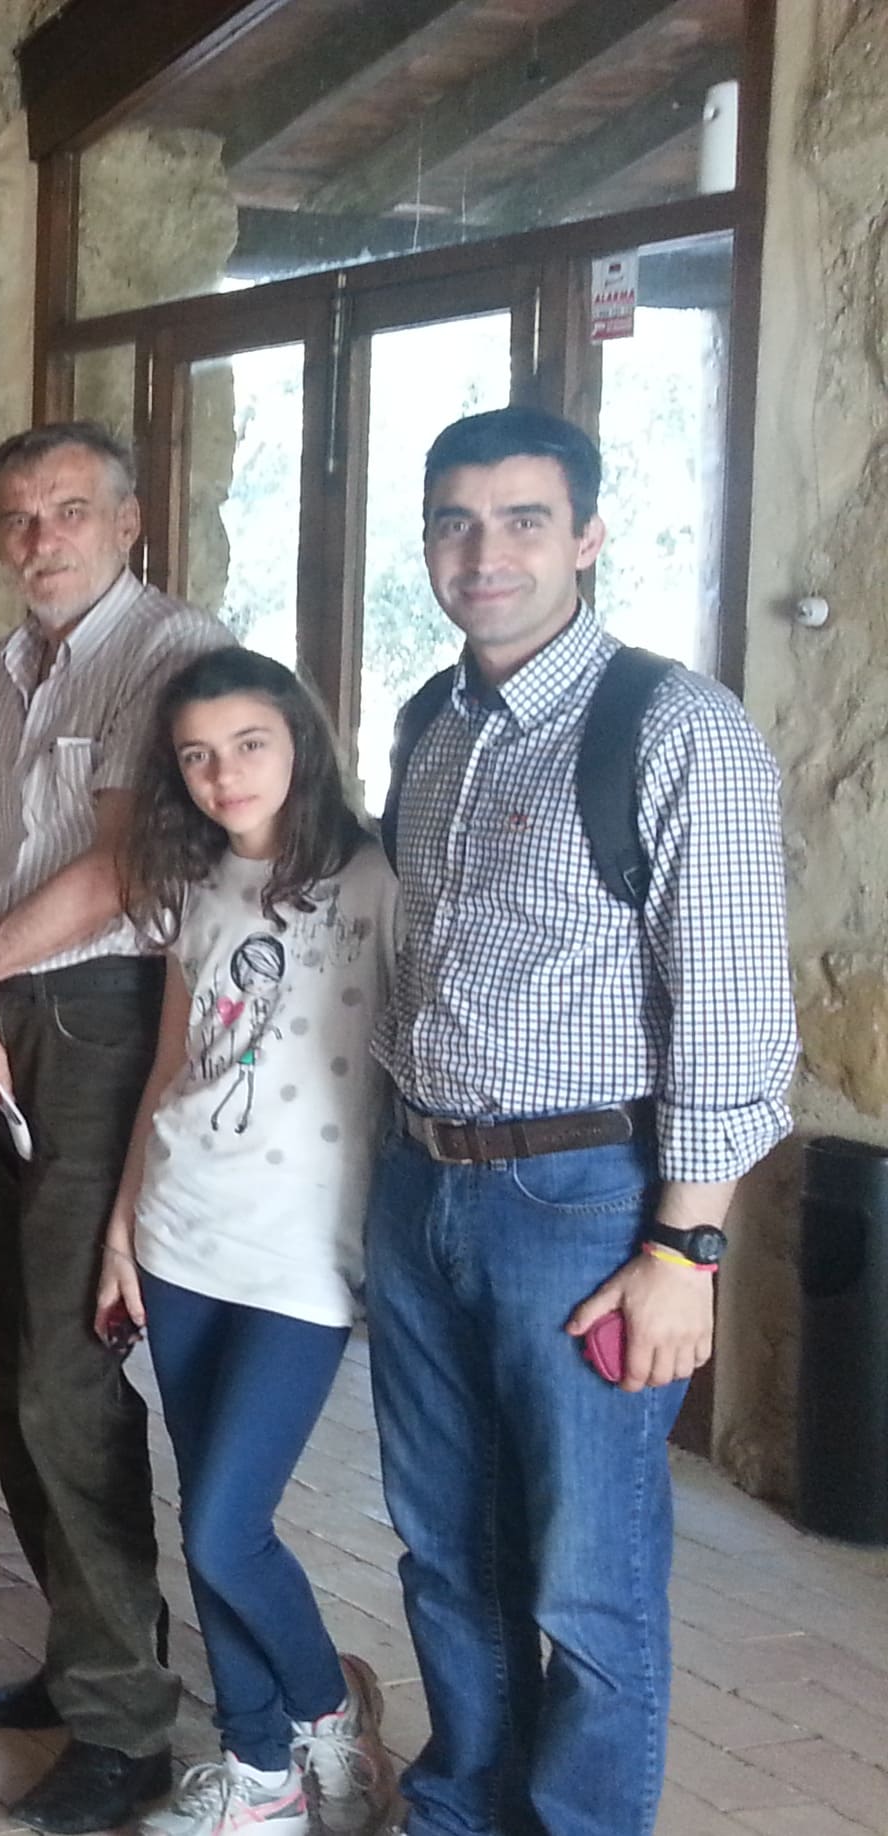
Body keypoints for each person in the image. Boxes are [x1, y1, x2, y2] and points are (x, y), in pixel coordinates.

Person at [368, 407, 793, 1836]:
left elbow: (735, 1020)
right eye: (454, 522)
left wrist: (686, 1252)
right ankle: (462, 1808)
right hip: (422, 1180)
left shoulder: (675, 729)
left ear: (589, 535)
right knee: (445, 1546)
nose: (483, 553)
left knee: (586, 1578)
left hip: (588, 1207)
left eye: (523, 520)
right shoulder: (430, 723)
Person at [0, 421, 233, 1834]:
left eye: (70, 510)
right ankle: (91, 1649)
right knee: (15, 1366)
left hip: (99, 1022)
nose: (42, 538)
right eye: (20, 518)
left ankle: (124, 1732)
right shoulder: (3, 668)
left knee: (65, 1376)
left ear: (129, 521)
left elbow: (119, 870)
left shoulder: (171, 653)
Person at [96, 649, 397, 1836]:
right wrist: (123, 1226)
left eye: (249, 744)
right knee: (206, 1519)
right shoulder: (195, 882)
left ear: (301, 742)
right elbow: (172, 1066)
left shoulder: (378, 880)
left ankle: (325, 1713)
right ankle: (258, 1767)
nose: (224, 774)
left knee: (229, 1525)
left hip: (305, 1258)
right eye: (197, 756)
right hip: (182, 1233)